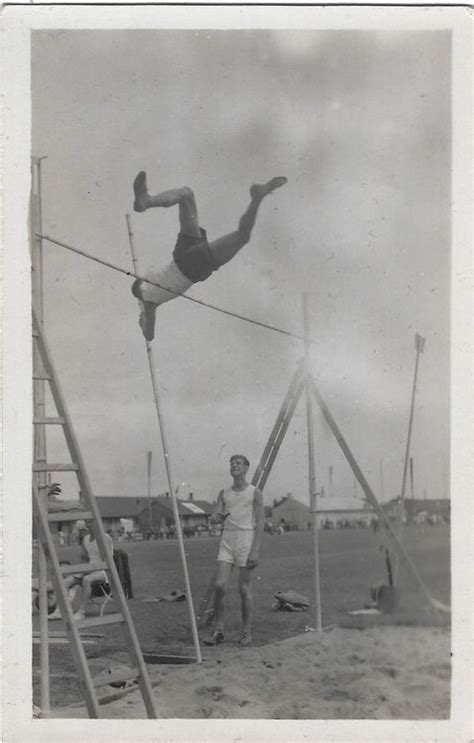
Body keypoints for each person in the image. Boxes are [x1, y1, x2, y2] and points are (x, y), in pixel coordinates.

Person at [131, 172, 287, 341]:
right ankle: (147, 201)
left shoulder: (148, 304)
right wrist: (144, 321)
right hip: (183, 251)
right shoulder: (149, 284)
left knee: (242, 236)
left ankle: (257, 198)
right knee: (186, 194)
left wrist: (143, 324)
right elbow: (149, 331)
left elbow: (150, 335)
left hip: (191, 266)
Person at [203, 454, 264, 647]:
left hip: (246, 539)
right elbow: (215, 515)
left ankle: (246, 631)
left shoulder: (255, 492)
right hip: (227, 539)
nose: (234, 466)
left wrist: (255, 550)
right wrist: (215, 518)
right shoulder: (224, 493)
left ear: (246, 468)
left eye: (238, 463)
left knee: (244, 589)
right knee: (220, 585)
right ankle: (219, 630)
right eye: (231, 463)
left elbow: (261, 523)